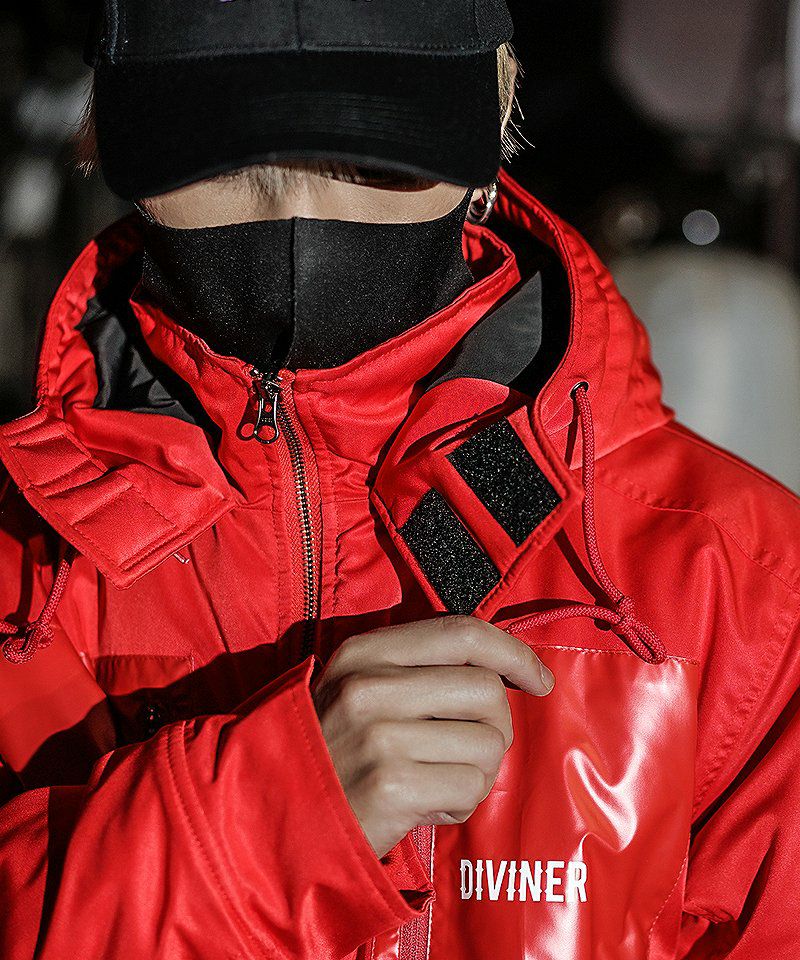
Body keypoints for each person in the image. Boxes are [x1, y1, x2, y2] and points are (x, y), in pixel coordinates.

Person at [0, 1, 798, 958]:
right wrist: (264, 824)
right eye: (218, 160)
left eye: (375, 159)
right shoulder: (21, 574)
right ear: (105, 147)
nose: (298, 214)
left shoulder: (739, 586)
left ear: (488, 139)